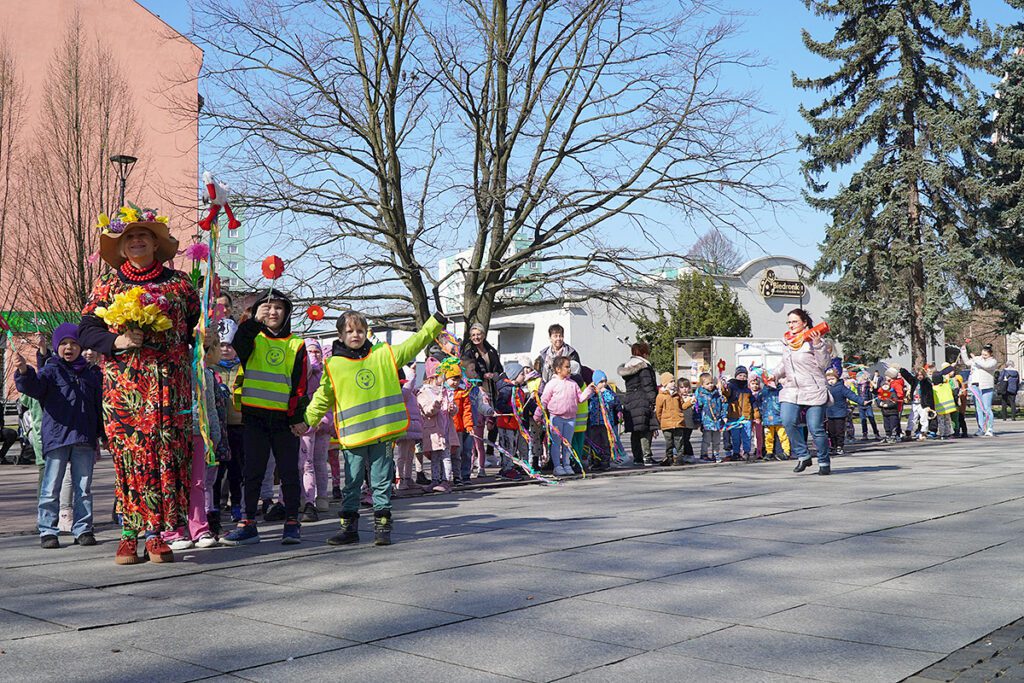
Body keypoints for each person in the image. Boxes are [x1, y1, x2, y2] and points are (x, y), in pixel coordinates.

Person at [79, 205, 203, 565]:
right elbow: (87, 328)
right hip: (126, 388)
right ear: (120, 246)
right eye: (129, 236)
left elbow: (194, 328)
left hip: (169, 385)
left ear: (155, 242)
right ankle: (127, 534)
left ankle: (157, 534)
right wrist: (116, 342)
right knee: (132, 458)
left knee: (165, 456)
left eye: (143, 235)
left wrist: (205, 338)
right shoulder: (108, 284)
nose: (136, 241)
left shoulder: (180, 284)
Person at [304, 308, 447, 546]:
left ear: (366, 332)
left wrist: (436, 322)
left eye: (360, 330)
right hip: (354, 438)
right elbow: (322, 397)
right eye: (350, 331)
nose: (356, 335)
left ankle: (382, 526)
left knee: (381, 483)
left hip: (382, 434)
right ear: (340, 335)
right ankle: (349, 529)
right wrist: (305, 421)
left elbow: (415, 342)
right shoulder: (334, 365)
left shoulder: (384, 354)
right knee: (351, 485)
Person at [222, 289, 310, 546]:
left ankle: (292, 522)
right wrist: (252, 321)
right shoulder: (252, 336)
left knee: (288, 472)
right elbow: (239, 344)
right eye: (267, 307)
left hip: (284, 420)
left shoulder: (297, 344)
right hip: (255, 418)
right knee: (253, 471)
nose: (273, 312)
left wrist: (296, 417)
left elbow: (300, 386)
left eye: (279, 308)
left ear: (287, 312)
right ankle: (248, 523)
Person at [14, 324, 102, 549]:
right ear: (56, 347)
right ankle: (48, 530)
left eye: (73, 343)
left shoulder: (91, 374)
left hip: (83, 437)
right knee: (51, 486)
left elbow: (98, 406)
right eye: (63, 344)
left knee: (83, 487)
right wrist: (24, 371)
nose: (69, 348)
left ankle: (83, 529)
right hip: (57, 437)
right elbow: (33, 387)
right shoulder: (51, 370)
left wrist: (102, 434)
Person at [164, 332, 223, 550]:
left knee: (197, 482)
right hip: (175, 433)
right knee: (172, 482)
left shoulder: (205, 372)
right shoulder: (173, 367)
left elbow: (211, 408)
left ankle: (199, 528)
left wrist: (214, 435)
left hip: (199, 432)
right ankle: (172, 530)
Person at [772, 308, 832, 475]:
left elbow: (824, 365)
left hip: (813, 389)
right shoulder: (787, 342)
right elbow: (785, 364)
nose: (791, 325)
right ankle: (803, 455)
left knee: (815, 428)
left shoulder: (814, 340)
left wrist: (819, 345)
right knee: (787, 420)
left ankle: (824, 461)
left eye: (795, 321)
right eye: (789, 322)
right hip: (792, 389)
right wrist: (773, 375)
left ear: (804, 323)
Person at [539, 356, 594, 476]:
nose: (569, 369)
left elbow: (580, 399)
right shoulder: (552, 384)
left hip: (571, 418)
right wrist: (538, 414)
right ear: (558, 369)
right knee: (556, 443)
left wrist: (589, 390)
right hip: (556, 418)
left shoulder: (573, 384)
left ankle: (567, 464)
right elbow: (544, 400)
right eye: (567, 367)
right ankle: (557, 466)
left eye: (569, 367)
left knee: (568, 443)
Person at [298, 339, 332, 521]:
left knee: (320, 461)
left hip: (323, 424)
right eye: (309, 351)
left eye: (317, 351)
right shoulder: (303, 373)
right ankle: (305, 497)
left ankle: (322, 497)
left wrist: (325, 420)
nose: (314, 355)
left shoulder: (325, 373)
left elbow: (329, 401)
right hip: (306, 426)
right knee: (306, 463)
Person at [214, 318, 244, 522]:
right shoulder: (212, 368)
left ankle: (236, 505)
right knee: (216, 472)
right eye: (221, 345)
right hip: (217, 428)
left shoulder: (242, 368)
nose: (225, 349)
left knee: (237, 470)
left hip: (237, 425)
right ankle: (214, 505)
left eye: (229, 345)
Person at [460, 323, 502, 464]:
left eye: (478, 334)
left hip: (492, 389)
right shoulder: (469, 353)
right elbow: (468, 372)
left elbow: (499, 368)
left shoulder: (491, 350)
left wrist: (494, 375)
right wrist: (480, 378)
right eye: (473, 335)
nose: (476, 337)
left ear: (483, 335)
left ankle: (489, 453)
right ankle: (475, 457)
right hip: (478, 390)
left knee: (492, 422)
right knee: (478, 424)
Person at [419, 357, 458, 493]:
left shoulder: (446, 392)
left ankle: (446, 480)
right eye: (442, 376)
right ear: (434, 377)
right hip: (434, 432)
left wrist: (453, 409)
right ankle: (435, 480)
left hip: (446, 430)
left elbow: (452, 412)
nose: (444, 378)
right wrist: (435, 404)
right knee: (435, 456)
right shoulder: (424, 392)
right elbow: (428, 411)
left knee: (446, 456)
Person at [617, 342, 659, 466]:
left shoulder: (628, 368)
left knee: (635, 431)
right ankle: (647, 456)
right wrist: (654, 401)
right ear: (644, 353)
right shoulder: (644, 367)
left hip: (630, 400)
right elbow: (648, 386)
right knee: (646, 429)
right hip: (643, 400)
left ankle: (637, 458)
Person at [494, 361, 530, 479]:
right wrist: (512, 410)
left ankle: (509, 467)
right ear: (514, 375)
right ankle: (507, 469)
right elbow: (499, 405)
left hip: (514, 424)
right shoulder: (507, 389)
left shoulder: (518, 389)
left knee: (512, 446)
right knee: (507, 446)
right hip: (506, 423)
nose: (524, 377)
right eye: (522, 374)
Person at [586, 369, 624, 470]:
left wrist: (605, 393)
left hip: (606, 424)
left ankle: (605, 461)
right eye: (601, 382)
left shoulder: (609, 393)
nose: (603, 384)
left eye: (605, 381)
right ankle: (595, 461)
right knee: (595, 443)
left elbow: (614, 403)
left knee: (605, 442)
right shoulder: (591, 394)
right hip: (594, 423)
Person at [394, 367, 423, 493]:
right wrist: (410, 371)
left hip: (412, 427)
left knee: (410, 455)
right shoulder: (402, 392)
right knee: (402, 455)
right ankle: (399, 478)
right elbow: (410, 382)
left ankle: (408, 477)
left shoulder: (410, 393)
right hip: (404, 427)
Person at [960, 343, 998, 436]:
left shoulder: (992, 361)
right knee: (978, 409)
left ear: (990, 354)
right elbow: (967, 362)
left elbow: (986, 366)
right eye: (983, 353)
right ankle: (981, 428)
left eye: (986, 354)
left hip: (986, 386)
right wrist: (964, 351)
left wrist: (975, 359)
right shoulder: (977, 359)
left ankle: (989, 428)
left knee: (987, 408)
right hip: (975, 386)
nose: (983, 355)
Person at [824, 368, 863, 457]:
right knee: (831, 431)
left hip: (840, 413)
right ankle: (833, 446)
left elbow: (851, 395)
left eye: (832, 379)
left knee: (839, 431)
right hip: (829, 413)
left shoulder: (841, 387)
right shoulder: (826, 388)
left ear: (837, 378)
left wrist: (861, 401)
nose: (830, 381)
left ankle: (839, 446)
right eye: (828, 380)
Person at [721, 366, 756, 461]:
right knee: (735, 436)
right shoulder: (731, 387)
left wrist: (756, 416)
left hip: (746, 417)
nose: (742, 377)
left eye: (744, 375)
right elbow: (726, 393)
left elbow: (753, 404)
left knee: (747, 436)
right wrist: (723, 386)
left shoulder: (747, 390)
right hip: (734, 416)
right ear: (736, 376)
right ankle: (736, 452)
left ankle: (746, 452)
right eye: (740, 375)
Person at [694, 372, 727, 462]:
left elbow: (722, 405)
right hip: (707, 421)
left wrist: (724, 415)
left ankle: (715, 454)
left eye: (711, 383)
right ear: (702, 385)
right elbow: (697, 408)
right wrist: (697, 420)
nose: (710, 385)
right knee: (706, 439)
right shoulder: (701, 395)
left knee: (717, 439)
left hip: (717, 420)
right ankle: (704, 454)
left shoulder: (717, 394)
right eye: (707, 384)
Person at [655, 375, 687, 466]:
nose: (673, 383)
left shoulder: (677, 395)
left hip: (678, 422)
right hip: (667, 423)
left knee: (679, 441)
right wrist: (661, 421)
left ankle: (679, 458)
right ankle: (669, 458)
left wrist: (690, 403)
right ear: (665, 383)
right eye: (671, 381)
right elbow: (658, 411)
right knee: (669, 442)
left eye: (673, 381)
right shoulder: (661, 396)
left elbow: (682, 406)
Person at [756, 375, 789, 460]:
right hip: (767, 418)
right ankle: (769, 452)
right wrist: (761, 414)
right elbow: (758, 403)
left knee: (783, 436)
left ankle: (786, 451)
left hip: (779, 417)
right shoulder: (763, 392)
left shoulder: (781, 391)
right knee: (768, 436)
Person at [856, 371, 881, 440]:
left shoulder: (868, 385)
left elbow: (875, 387)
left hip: (868, 404)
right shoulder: (858, 385)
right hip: (861, 404)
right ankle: (864, 434)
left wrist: (869, 379)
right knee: (863, 420)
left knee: (871, 418)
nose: (861, 379)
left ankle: (876, 433)